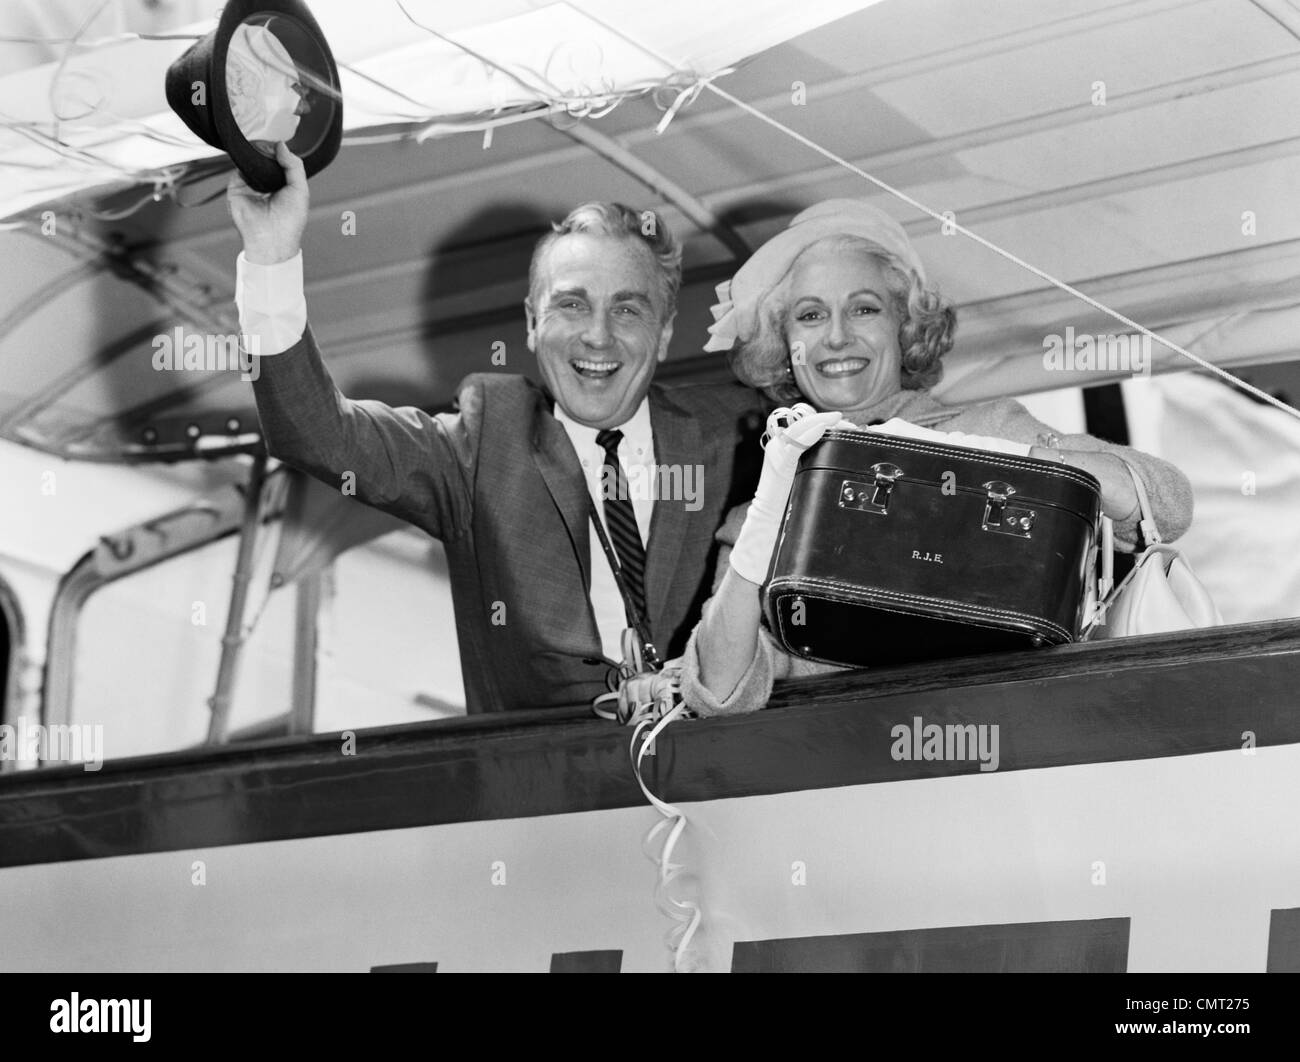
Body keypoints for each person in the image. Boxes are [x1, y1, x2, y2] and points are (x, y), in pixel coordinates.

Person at [228, 146, 763, 713]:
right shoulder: (482, 444)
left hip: (731, 774)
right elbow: (316, 433)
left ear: (663, 332)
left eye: (628, 310)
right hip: (546, 784)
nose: (598, 337)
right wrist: (270, 256)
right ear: (532, 323)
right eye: (572, 306)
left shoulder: (738, 430)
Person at [681, 198, 1195, 716]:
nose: (836, 336)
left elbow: (1165, 504)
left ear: (905, 328)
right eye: (810, 315)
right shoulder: (760, 512)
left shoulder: (987, 427)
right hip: (850, 769)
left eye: (864, 308)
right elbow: (721, 695)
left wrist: (1018, 458)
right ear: (785, 345)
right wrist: (766, 521)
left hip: (1008, 748)